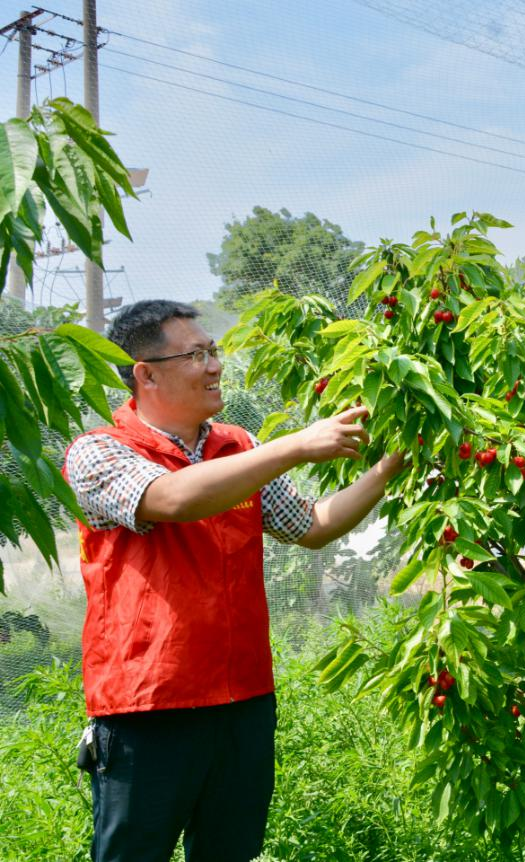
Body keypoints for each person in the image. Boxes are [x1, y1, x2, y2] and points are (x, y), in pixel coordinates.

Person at [63, 299, 405, 862]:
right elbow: (172, 497)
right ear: (145, 374)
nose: (216, 365)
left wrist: (389, 466)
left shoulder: (237, 447)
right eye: (196, 354)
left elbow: (312, 525)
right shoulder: (99, 452)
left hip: (243, 700)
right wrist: (296, 444)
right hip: (149, 706)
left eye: (214, 351)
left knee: (230, 851)